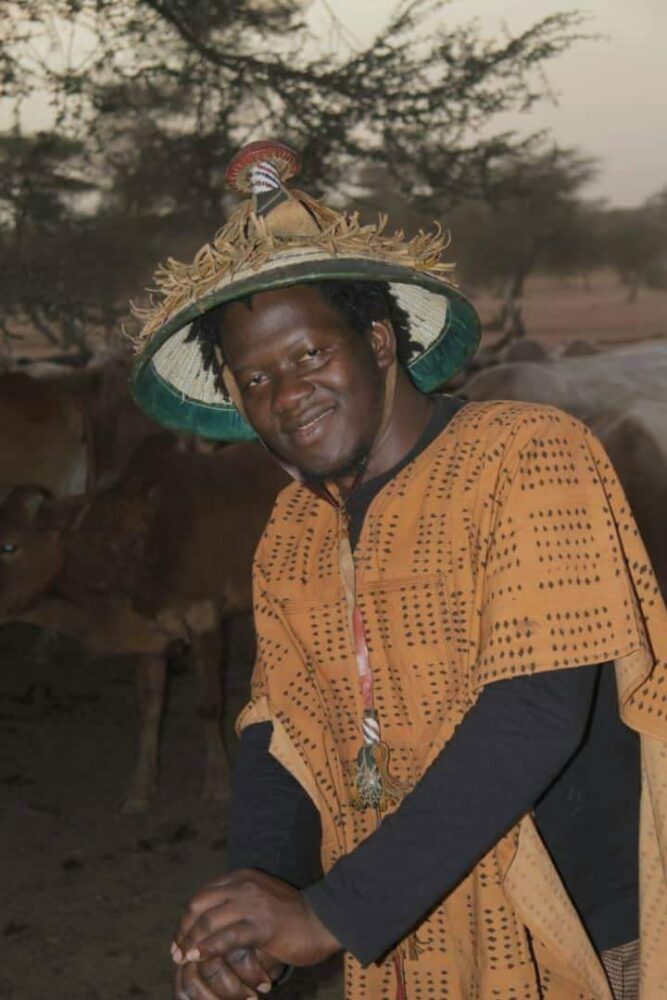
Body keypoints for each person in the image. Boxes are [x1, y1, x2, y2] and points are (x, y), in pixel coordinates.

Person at [131, 141, 667, 1000]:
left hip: (584, 938)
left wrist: (330, 915)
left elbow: (533, 711)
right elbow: (280, 731)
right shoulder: (294, 529)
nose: (286, 395)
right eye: (255, 379)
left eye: (309, 355)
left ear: (378, 340)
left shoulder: (526, 455)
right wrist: (260, 904)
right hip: (414, 936)